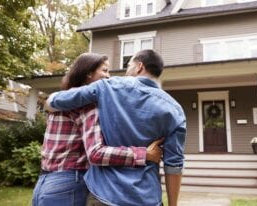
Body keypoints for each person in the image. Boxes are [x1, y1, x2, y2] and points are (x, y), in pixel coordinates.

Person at [47, 49, 186, 206]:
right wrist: (173, 204)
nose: (126, 71)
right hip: (147, 198)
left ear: (139, 66)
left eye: (129, 65)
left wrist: (50, 101)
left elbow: (57, 100)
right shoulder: (175, 110)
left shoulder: (107, 87)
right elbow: (174, 165)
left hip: (105, 194)